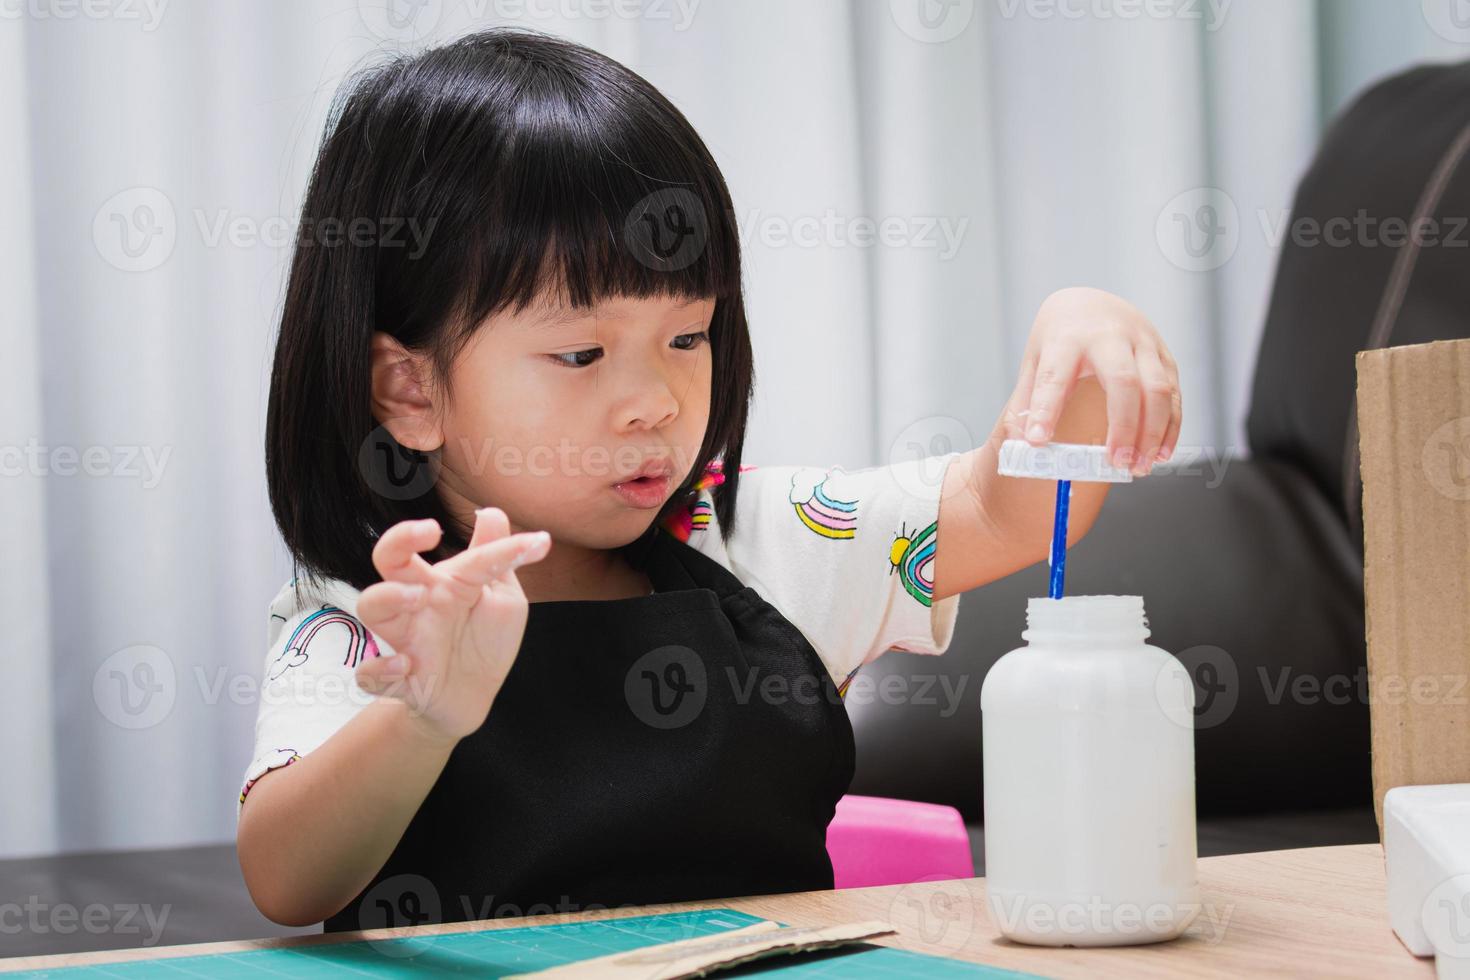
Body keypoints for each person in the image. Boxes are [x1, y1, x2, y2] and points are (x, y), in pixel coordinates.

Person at [236, 27, 1182, 930]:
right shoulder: (368, 612)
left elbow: (1000, 510)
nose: (656, 401)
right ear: (409, 390)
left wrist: (1082, 342)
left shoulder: (769, 536)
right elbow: (286, 879)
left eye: (689, 336)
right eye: (581, 353)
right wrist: (421, 716)